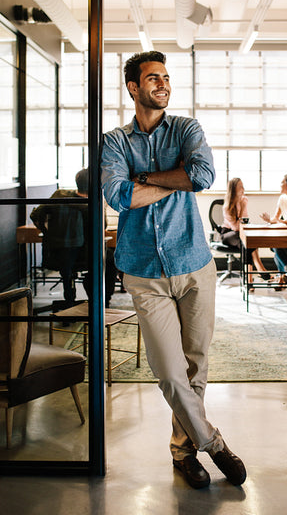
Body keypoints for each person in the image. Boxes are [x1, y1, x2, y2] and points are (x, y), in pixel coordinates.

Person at [101, 51, 246, 490]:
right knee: (169, 371)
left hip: (193, 263)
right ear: (133, 87)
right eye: (152, 78)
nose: (162, 84)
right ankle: (214, 443)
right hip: (144, 272)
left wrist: (144, 179)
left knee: (195, 366)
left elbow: (201, 176)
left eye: (166, 77)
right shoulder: (115, 142)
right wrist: (165, 178)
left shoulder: (186, 128)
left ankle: (184, 452)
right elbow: (118, 196)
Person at [30, 168, 117, 308]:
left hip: (56, 253)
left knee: (72, 262)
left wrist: (49, 234)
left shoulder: (59, 195)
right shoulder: (94, 203)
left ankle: (71, 297)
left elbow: (35, 216)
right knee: (111, 259)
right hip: (86, 256)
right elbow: (103, 227)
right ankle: (104, 301)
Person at [221, 177, 268, 283]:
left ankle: (249, 280)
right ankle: (259, 268)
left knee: (246, 243)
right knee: (244, 239)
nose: (243, 188)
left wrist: (243, 206)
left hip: (240, 234)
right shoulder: (227, 206)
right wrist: (242, 208)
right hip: (228, 233)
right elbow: (236, 227)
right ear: (233, 189)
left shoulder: (243, 200)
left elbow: (245, 222)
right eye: (240, 186)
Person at [260, 173, 287, 285]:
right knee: (276, 246)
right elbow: (276, 218)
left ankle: (282, 277)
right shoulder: (282, 199)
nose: (280, 185)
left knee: (277, 252)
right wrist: (269, 220)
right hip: (286, 235)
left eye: (282, 183)